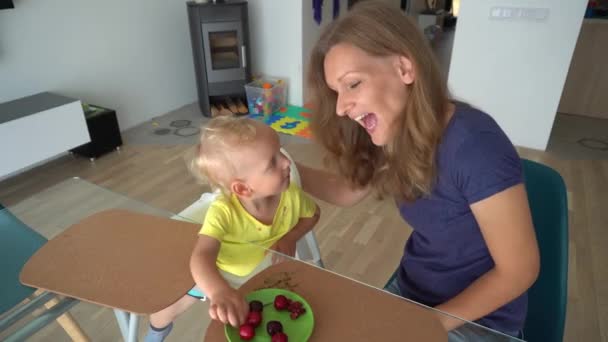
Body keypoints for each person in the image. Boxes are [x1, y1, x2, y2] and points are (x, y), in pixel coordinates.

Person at [297, 2, 539, 340]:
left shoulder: (475, 147)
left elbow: (519, 270)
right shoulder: (396, 133)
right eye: (336, 92)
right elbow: (348, 191)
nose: (339, 107)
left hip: (479, 322)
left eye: (352, 84)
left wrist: (428, 324)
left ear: (404, 69)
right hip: (414, 293)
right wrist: (287, 170)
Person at [144, 116, 320, 342]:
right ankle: (156, 331)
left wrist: (292, 236)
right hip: (220, 272)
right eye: (272, 162)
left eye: (281, 152)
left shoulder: (291, 196)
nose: (287, 163)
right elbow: (201, 256)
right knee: (167, 309)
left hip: (263, 268)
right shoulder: (223, 211)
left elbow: (313, 215)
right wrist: (218, 291)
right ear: (243, 188)